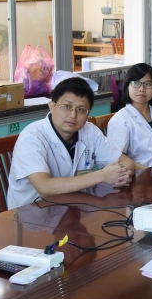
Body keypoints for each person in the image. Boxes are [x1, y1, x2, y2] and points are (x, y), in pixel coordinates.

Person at [7, 77, 136, 209]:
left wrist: (119, 176)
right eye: (67, 107)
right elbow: (44, 188)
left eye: (81, 109)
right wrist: (102, 176)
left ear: (88, 113)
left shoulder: (90, 131)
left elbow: (127, 163)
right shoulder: (32, 137)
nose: (73, 115)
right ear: (52, 107)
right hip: (33, 214)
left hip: (77, 209)